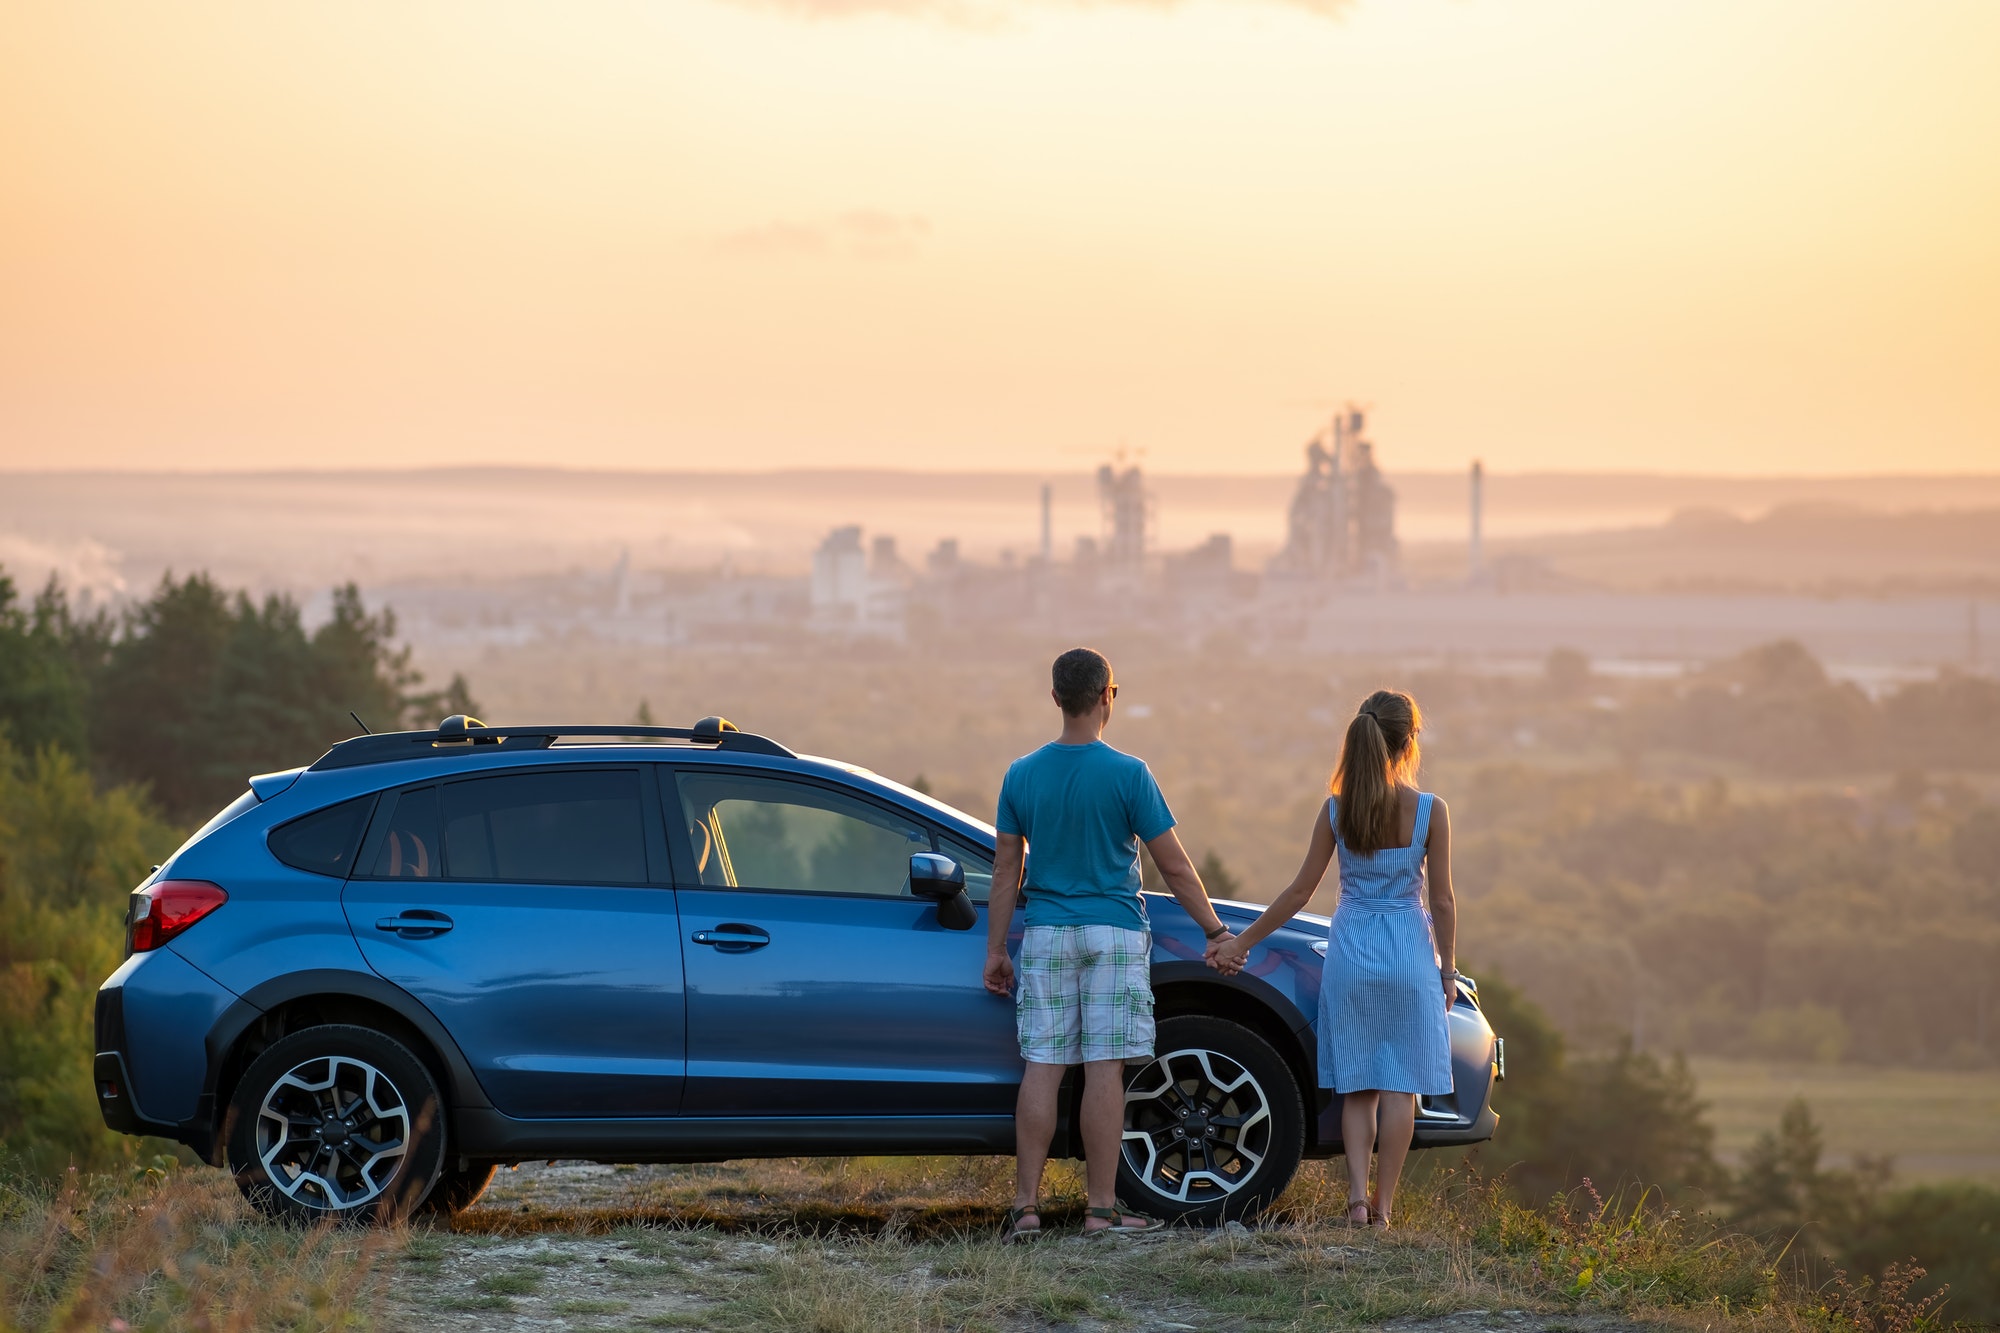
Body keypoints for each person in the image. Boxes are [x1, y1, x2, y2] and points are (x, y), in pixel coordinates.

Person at [983, 647, 1236, 1242]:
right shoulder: (1129, 774)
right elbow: (1172, 865)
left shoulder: (1021, 774)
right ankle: (1101, 1210)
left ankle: (1025, 1207)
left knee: (1041, 1068)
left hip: (1046, 931)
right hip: (1115, 933)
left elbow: (1003, 872)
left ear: (1055, 699)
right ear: (1107, 697)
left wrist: (996, 948)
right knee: (1104, 1071)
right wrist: (1216, 931)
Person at [1208, 689, 1456, 1231]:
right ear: (1408, 740)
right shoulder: (1430, 811)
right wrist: (1448, 969)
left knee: (1359, 1086)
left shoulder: (1337, 810)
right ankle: (1385, 1211)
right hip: (1409, 952)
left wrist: (1240, 942)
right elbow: (1441, 900)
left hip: (1352, 951)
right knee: (1400, 1086)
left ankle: (1356, 1200)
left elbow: (1300, 892)